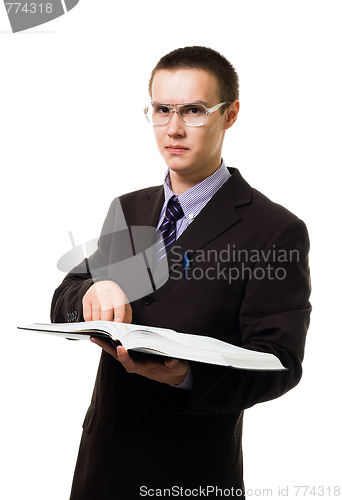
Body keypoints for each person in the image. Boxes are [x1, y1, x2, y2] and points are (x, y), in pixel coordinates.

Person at [51, 46, 311, 499]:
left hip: (191, 471)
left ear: (229, 115)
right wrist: (94, 288)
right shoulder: (130, 208)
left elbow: (280, 364)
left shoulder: (274, 230)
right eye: (162, 109)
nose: (173, 128)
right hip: (103, 466)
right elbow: (65, 295)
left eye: (193, 110)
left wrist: (188, 375)